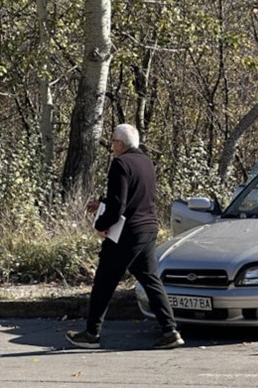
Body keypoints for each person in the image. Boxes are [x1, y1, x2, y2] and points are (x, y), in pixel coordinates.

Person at [66, 124, 184, 349]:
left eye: (112, 142)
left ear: (120, 144)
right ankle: (170, 331)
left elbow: (120, 204)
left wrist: (100, 225)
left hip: (127, 233)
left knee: (104, 281)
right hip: (148, 228)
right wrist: (102, 202)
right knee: (150, 279)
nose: (111, 146)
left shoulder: (120, 163)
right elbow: (134, 196)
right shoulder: (146, 163)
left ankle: (92, 334)